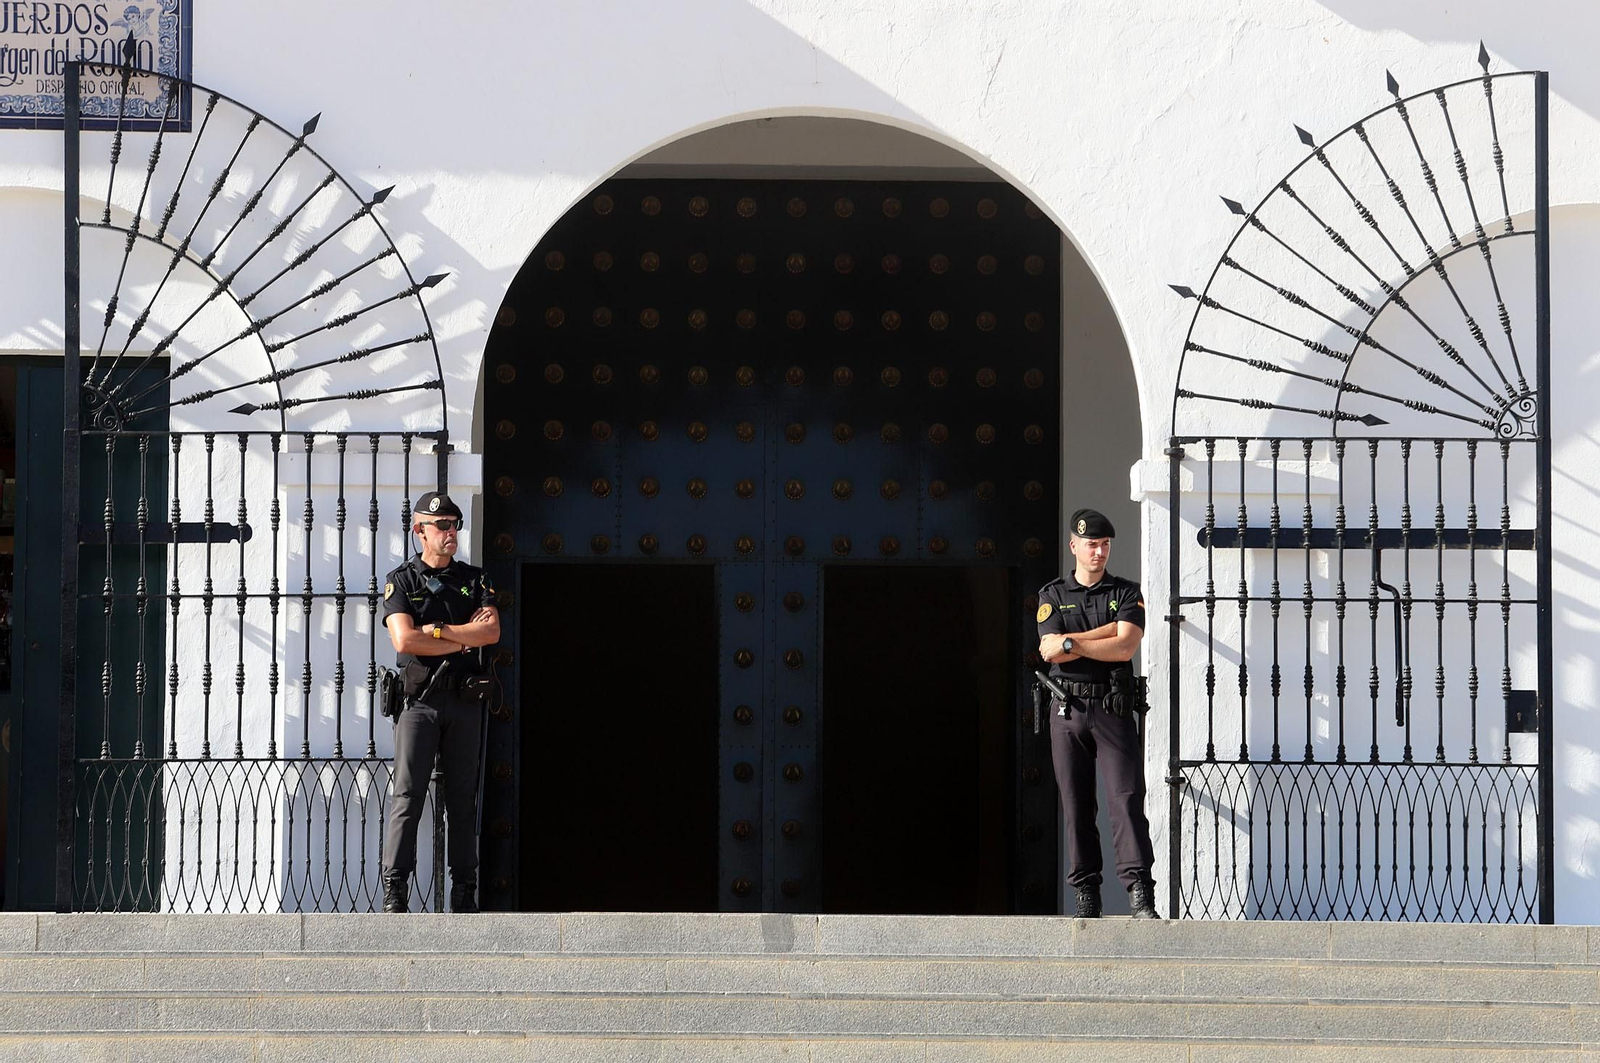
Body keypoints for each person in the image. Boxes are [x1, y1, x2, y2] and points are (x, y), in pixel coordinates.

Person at [1035, 508, 1159, 919]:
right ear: (1074, 546)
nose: (1099, 552)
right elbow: (1048, 648)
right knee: (1076, 804)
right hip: (1067, 708)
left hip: (1112, 706)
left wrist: (1071, 641)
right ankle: (1087, 892)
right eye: (1091, 545)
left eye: (1105, 545)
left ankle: (1140, 891)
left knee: (1125, 800)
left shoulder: (1126, 593)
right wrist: (1100, 634)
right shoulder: (1051, 595)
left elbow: (1125, 647)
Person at [380, 491, 500, 913]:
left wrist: (437, 631)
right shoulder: (403, 580)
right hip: (420, 703)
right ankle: (395, 889)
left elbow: (489, 633)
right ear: (420, 531)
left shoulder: (476, 579)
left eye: (455, 525)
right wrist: (458, 633)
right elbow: (403, 639)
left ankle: (464, 890)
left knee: (462, 798)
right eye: (442, 526)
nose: (451, 533)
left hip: (465, 701)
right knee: (408, 796)